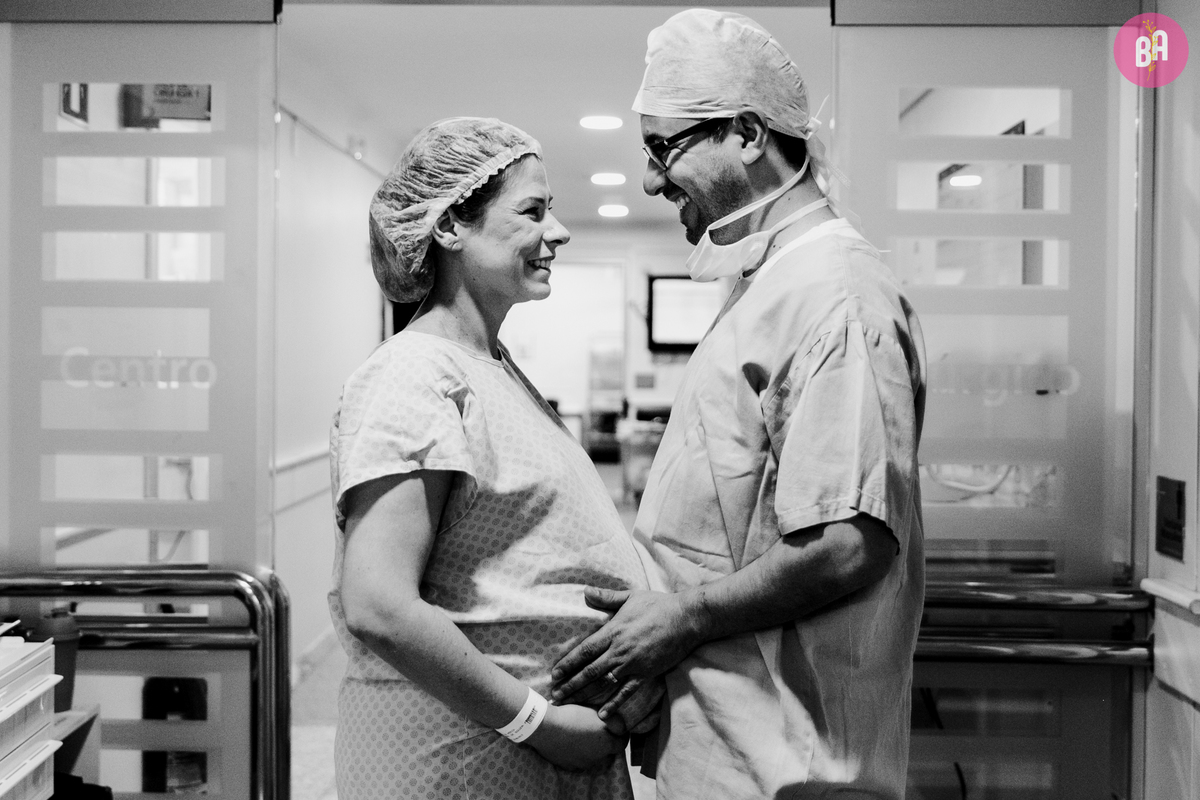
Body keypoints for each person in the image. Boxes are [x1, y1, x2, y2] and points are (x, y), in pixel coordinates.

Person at [551, 10, 927, 799]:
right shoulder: (765, 284)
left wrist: (683, 618)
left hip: (792, 763)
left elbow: (850, 543)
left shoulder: (838, 297)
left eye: (663, 147)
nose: (651, 179)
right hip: (724, 741)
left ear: (748, 134)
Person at [329, 116, 660, 800]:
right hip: (461, 763)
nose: (559, 232)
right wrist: (539, 722)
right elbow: (379, 604)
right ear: (451, 226)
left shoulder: (491, 367)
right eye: (533, 211)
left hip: (535, 761)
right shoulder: (414, 376)